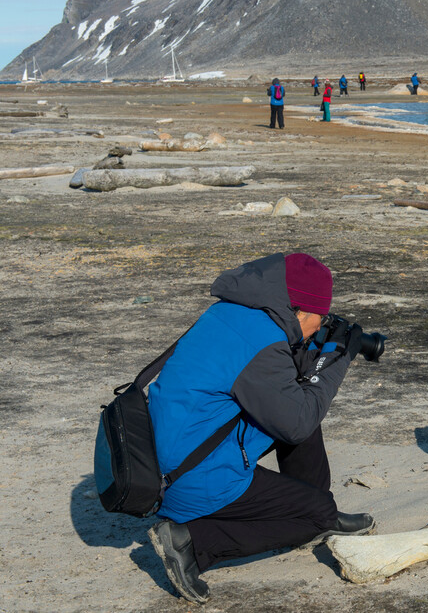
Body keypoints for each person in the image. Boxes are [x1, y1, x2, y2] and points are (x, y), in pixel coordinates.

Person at [145, 252, 377, 604]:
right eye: (321, 316)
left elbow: (275, 386)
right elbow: (297, 424)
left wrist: (316, 356)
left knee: (298, 401)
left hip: (172, 456)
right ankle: (192, 540)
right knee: (315, 511)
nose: (321, 324)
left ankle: (313, 503)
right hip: (192, 479)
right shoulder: (263, 345)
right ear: (299, 310)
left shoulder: (235, 313)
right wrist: (337, 358)